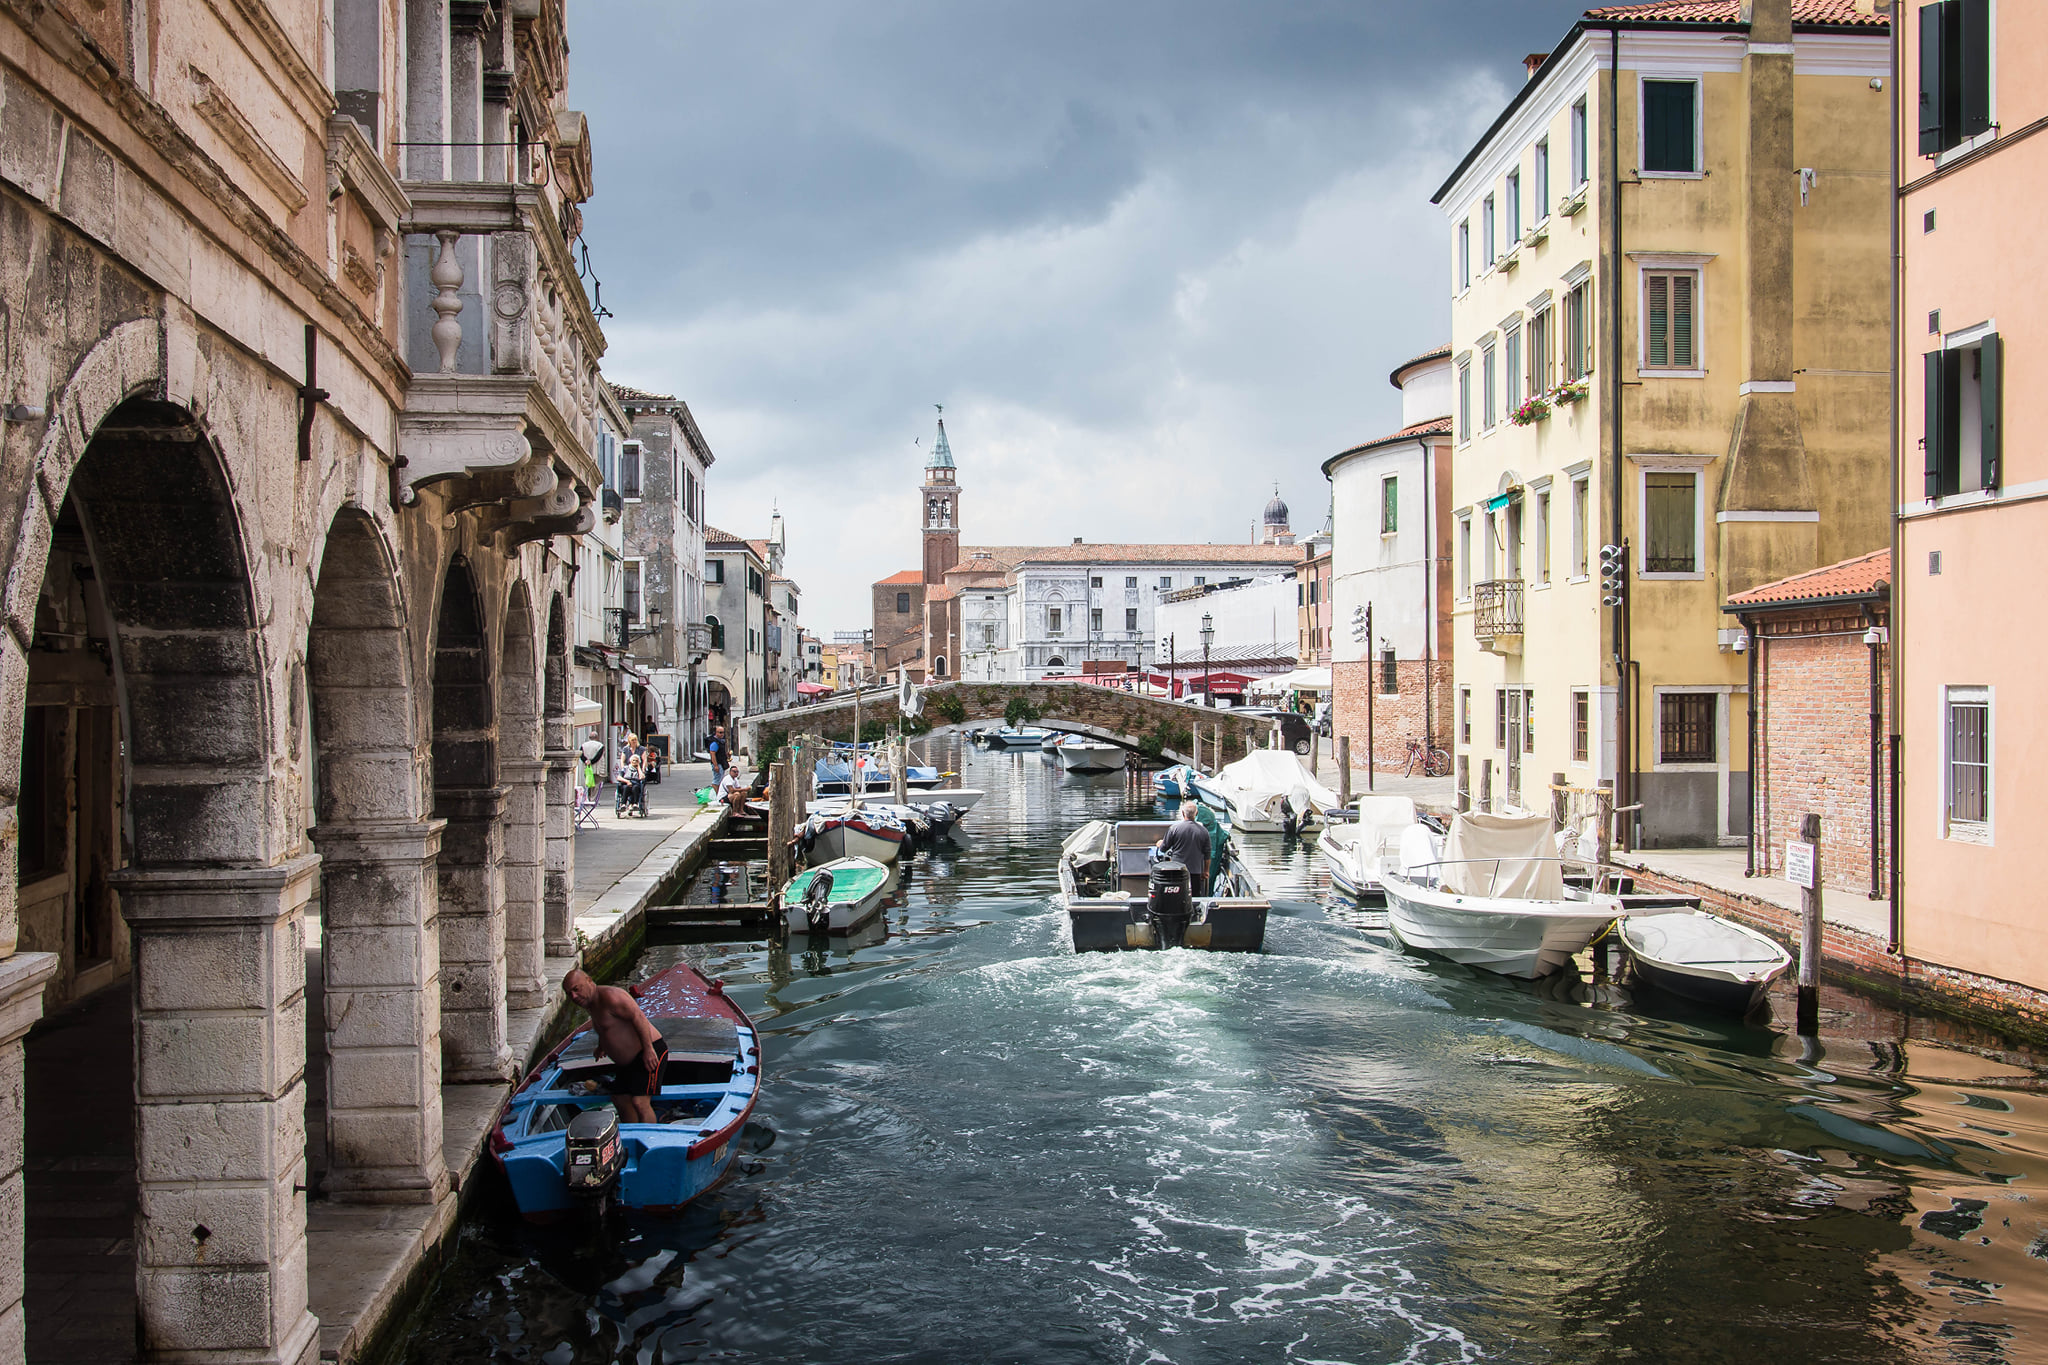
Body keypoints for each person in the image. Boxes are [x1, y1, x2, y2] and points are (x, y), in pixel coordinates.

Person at [563, 969, 666, 1124]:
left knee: (640, 1102)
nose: (574, 997)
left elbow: (639, 1018)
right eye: (569, 993)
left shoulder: (611, 996)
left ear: (589, 980)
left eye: (576, 989)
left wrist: (648, 1049)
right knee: (620, 1100)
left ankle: (648, 1138)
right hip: (627, 1062)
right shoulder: (590, 1003)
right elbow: (607, 1026)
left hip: (648, 1052)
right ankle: (629, 1137)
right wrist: (602, 1045)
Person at [1153, 801, 1210, 889]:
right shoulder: (1204, 831)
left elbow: (1163, 848)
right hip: (1196, 870)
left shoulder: (1174, 829)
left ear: (1183, 813)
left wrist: (1160, 843)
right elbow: (1207, 854)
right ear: (1196, 813)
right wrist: (1206, 871)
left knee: (1178, 895)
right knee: (1194, 897)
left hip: (1177, 870)